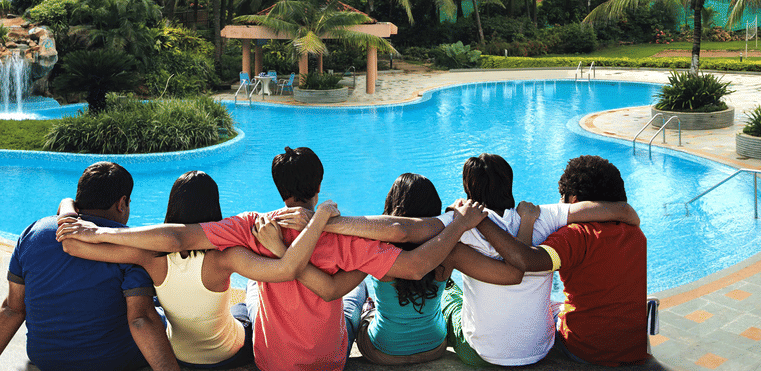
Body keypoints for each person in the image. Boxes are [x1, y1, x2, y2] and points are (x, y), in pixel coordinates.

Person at [56, 147, 491, 371]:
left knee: (256, 294)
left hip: (271, 362)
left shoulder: (250, 225)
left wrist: (94, 231)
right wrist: (456, 225)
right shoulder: (347, 237)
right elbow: (413, 258)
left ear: (277, 183)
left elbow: (177, 236)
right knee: (354, 297)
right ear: (319, 184)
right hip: (330, 360)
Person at [310, 152, 640, 366]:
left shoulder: (459, 226)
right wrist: (528, 220)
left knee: (448, 296)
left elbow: (400, 229)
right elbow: (621, 210)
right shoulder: (546, 216)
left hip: (485, 356)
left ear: (468, 190)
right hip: (540, 350)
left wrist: (327, 222)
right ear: (509, 182)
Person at [57, 170, 336, 369]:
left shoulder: (150, 256)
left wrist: (69, 208)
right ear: (214, 207)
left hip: (178, 355)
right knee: (253, 302)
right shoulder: (228, 256)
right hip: (228, 355)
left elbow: (72, 247)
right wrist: (318, 217)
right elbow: (288, 269)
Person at [0, 161, 178, 371]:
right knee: (162, 312)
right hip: (115, 361)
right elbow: (141, 319)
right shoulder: (129, 245)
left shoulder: (32, 234)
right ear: (122, 203)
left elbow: (12, 309)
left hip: (46, 359)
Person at [475, 155, 648, 366]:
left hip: (588, 349)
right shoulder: (636, 233)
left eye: (561, 198)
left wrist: (481, 221)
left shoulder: (576, 236)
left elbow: (525, 261)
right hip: (634, 347)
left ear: (573, 201)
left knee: (546, 309)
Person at [357, 173, 451, 365]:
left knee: (358, 294)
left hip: (384, 350)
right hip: (434, 347)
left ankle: (369, 309)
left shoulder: (379, 247)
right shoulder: (448, 250)